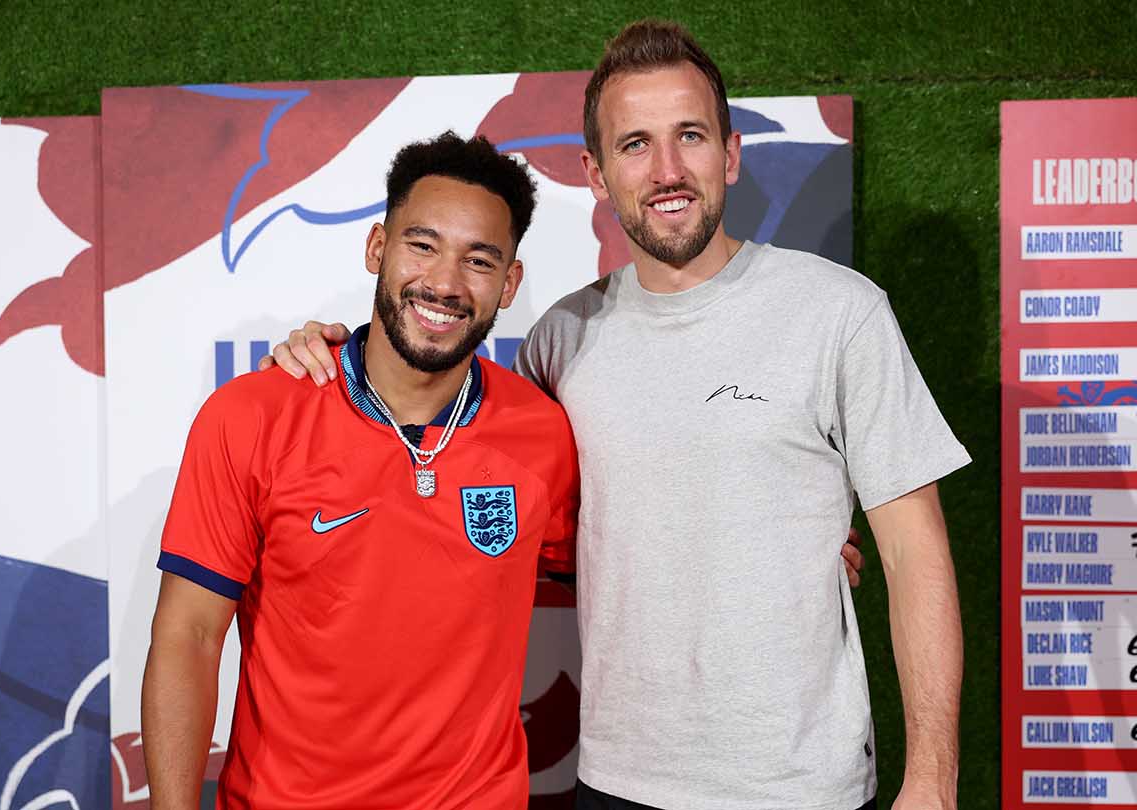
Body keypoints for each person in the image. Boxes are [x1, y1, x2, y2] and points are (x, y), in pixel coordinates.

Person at [267, 20, 968, 810]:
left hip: (803, 787)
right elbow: (439, 454)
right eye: (636, 145)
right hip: (616, 783)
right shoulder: (559, 340)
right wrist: (336, 356)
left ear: (731, 154)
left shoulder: (840, 313)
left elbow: (916, 554)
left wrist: (932, 781)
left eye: (690, 136)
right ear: (596, 175)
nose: (667, 170)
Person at [140, 131, 585, 809]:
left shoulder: (544, 432)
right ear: (378, 247)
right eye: (422, 245)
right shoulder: (251, 416)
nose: (444, 283)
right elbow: (190, 637)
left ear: (509, 284)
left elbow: (620, 589)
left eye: (479, 260)